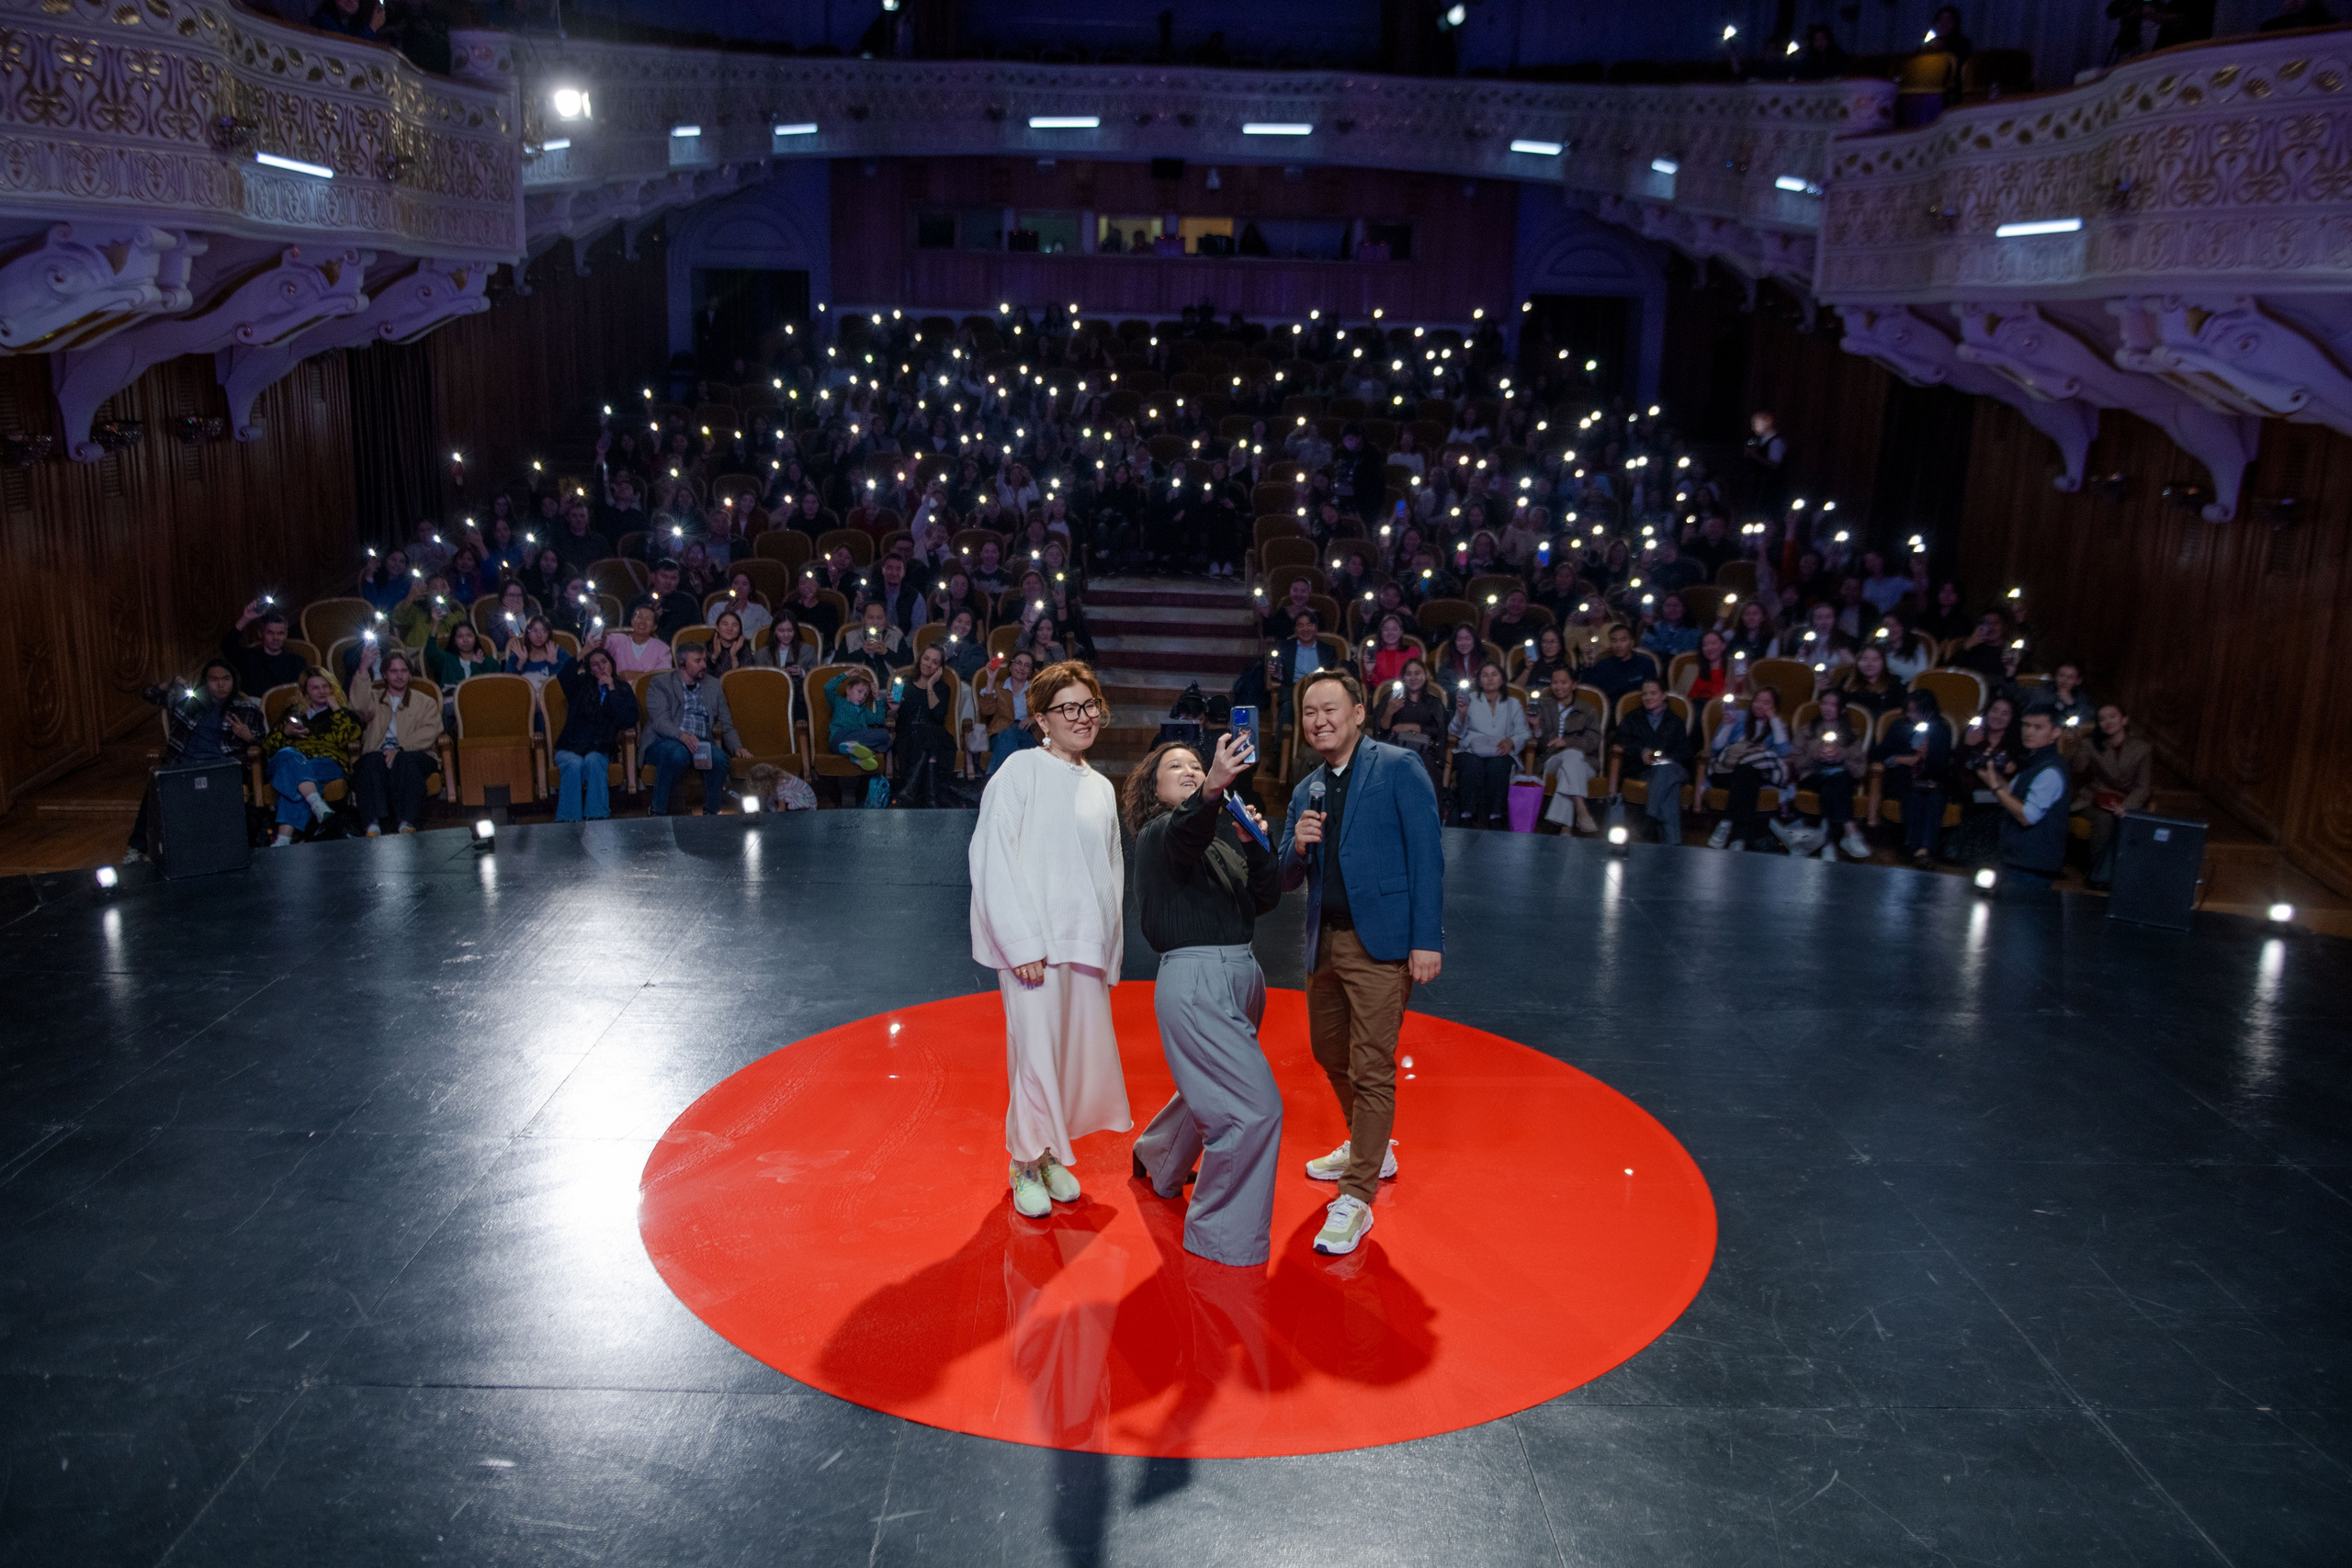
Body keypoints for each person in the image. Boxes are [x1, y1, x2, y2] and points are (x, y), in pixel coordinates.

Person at [1277, 669, 1445, 1258]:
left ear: (1356, 713)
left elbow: (1428, 856)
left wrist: (1428, 939)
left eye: (1330, 709)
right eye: (1309, 713)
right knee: (1329, 1052)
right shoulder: (1307, 791)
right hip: (1325, 942)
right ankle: (1373, 1145)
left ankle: (1357, 1194)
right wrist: (1296, 843)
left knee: (1371, 1067)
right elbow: (1283, 876)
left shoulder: (1399, 768)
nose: (1319, 721)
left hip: (1384, 946)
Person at [967, 660, 1128, 1220]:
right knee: (1034, 1056)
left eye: (1090, 706)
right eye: (1070, 709)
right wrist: (1020, 944)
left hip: (1084, 944)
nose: (1083, 718)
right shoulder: (1019, 771)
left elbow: (1111, 872)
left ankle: (1051, 1153)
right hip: (1032, 949)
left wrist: (1110, 950)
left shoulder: (1103, 787)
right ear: (1041, 719)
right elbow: (991, 858)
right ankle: (1024, 1162)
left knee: (1066, 1058)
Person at [1124, 734, 1284, 1267]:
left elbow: (1263, 899)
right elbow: (1185, 832)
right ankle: (1220, 1237)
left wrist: (1254, 842)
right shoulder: (1158, 834)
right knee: (1251, 1113)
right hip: (1197, 978)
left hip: (1242, 972)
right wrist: (1214, 785)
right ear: (1154, 786)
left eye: (1197, 765)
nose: (1190, 770)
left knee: (1213, 1088)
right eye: (1178, 767)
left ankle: (1159, 1155)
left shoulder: (1219, 838)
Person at [129, 661, 264, 862]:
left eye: (225, 679)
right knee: (155, 790)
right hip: (185, 765)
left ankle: (229, 848)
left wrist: (249, 738)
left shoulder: (246, 709)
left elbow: (264, 745)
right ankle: (137, 849)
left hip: (223, 767)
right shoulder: (187, 701)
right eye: (214, 679)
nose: (220, 685)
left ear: (233, 681)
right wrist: (170, 685)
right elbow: (149, 694)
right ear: (205, 682)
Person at [642, 641, 751, 816]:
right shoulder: (661, 683)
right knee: (677, 753)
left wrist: (737, 747)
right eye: (698, 661)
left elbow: (726, 723)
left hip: (700, 743)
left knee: (719, 758)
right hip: (665, 741)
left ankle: (711, 812)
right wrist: (681, 735)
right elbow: (660, 721)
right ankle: (657, 811)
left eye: (704, 660)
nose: (703, 665)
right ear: (682, 663)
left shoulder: (713, 685)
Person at [347, 645, 443, 837]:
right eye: (394, 671)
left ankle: (407, 822)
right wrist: (363, 669)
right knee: (371, 762)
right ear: (385, 674)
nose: (399, 676)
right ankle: (373, 824)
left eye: (404, 671)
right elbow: (358, 709)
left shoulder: (425, 701)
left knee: (405, 760)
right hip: (379, 752)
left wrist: (400, 748)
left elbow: (431, 731)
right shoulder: (374, 698)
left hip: (417, 753)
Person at [1977, 702, 2072, 891]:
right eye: (2026, 725)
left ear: (2055, 732)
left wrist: (1996, 788)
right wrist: (1992, 776)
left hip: (2032, 866)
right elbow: (2013, 796)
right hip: (2018, 861)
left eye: (2038, 727)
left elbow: (2028, 816)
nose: (2029, 732)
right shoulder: (2036, 761)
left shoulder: (2050, 770)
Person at [1770, 687, 1871, 860]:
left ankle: (1828, 844)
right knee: (1836, 778)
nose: (1827, 708)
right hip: (1812, 777)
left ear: (1842, 709)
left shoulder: (1851, 736)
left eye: (1833, 704)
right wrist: (1814, 756)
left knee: (1833, 783)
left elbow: (1860, 770)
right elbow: (1796, 764)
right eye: (1824, 703)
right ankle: (1850, 831)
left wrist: (1841, 755)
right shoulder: (1807, 731)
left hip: (1839, 780)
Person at [264, 671, 360, 846]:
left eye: (326, 686)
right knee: (288, 754)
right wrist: (286, 733)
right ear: (306, 691)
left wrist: (337, 710)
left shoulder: (343, 714)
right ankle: (316, 803)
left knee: (295, 781)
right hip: (293, 760)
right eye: (316, 687)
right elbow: (268, 747)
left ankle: (283, 840)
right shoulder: (293, 714)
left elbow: (347, 738)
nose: (322, 691)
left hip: (326, 762)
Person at [551, 645, 639, 822]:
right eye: (595, 665)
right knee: (574, 763)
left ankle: (597, 817)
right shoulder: (581, 685)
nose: (601, 667)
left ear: (612, 663)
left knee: (593, 760)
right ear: (590, 669)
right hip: (570, 746)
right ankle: (568, 820)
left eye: (604, 662)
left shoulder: (622, 689)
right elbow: (564, 676)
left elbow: (627, 720)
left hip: (600, 747)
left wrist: (612, 690)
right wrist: (582, 653)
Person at [2071, 701, 2151, 889]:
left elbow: (2143, 786)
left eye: (2112, 716)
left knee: (2132, 820)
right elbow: (2078, 768)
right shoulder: (2090, 744)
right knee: (2105, 820)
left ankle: (2128, 877)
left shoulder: (2142, 748)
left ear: (2124, 720)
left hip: (2127, 799)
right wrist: (2076, 744)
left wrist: (2127, 806)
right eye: (2102, 719)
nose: (2107, 721)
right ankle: (2098, 875)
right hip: (2095, 799)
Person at [1874, 689, 1954, 870]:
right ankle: (1913, 848)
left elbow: (1943, 767)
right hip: (1905, 782)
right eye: (1909, 711)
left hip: (1933, 782)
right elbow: (1878, 753)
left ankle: (1923, 851)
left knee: (1934, 799)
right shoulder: (1898, 726)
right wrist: (1901, 759)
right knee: (1914, 797)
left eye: (1916, 711)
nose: (1911, 715)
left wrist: (1927, 757)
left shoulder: (1941, 730)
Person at [1704, 688, 1792, 851]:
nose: (1760, 705)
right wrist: (1728, 726)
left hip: (1752, 776)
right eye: (1757, 700)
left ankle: (1727, 825)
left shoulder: (1777, 726)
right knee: (1746, 777)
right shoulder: (1739, 717)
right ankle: (1737, 837)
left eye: (1766, 703)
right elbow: (1716, 748)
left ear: (1774, 707)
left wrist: (1773, 719)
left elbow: (1784, 752)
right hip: (1725, 772)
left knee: (1747, 773)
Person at [1448, 660, 1527, 829]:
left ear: (1502, 679)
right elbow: (1455, 731)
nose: (1490, 679)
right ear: (1479, 680)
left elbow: (1524, 732)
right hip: (1471, 748)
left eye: (1494, 675)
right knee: (1472, 765)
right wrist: (1461, 714)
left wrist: (1511, 741)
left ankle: (1495, 815)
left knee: (1498, 766)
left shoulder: (1513, 703)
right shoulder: (1470, 700)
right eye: (1485, 675)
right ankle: (1466, 814)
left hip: (1500, 748)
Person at [1616, 677, 1692, 845]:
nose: (1648, 698)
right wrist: (1642, 751)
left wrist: (1665, 757)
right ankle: (1673, 844)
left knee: (1665, 769)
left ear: (1663, 695)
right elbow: (1621, 740)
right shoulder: (1633, 718)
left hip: (1674, 769)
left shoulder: (1675, 721)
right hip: (1645, 770)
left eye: (1653, 693)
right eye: (1644, 694)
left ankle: (1649, 817)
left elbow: (1685, 752)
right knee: (1670, 789)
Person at [1532, 667, 1602, 833]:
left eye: (1564, 682)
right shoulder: (1544, 706)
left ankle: (1566, 828)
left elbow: (1593, 741)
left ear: (1574, 685)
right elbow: (1541, 746)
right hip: (1551, 760)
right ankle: (1581, 809)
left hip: (1585, 763)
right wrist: (1536, 728)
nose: (1558, 687)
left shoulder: (1587, 710)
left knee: (1569, 765)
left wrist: (1567, 742)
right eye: (1555, 682)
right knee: (1571, 756)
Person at [894, 642, 960, 807]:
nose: (928, 664)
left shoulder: (943, 688)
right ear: (920, 659)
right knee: (929, 752)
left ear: (939, 668)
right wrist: (893, 710)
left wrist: (930, 685)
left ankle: (910, 789)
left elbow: (938, 716)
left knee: (928, 734)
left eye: (934, 662)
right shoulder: (904, 683)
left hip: (936, 736)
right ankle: (932, 801)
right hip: (908, 737)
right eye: (926, 659)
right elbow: (892, 718)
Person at [824, 667, 896, 807]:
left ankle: (856, 754)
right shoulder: (839, 702)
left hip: (858, 739)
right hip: (839, 737)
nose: (862, 696)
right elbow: (828, 687)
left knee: (885, 735)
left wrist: (877, 698)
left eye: (865, 694)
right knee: (845, 740)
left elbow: (879, 719)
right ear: (848, 690)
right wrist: (847, 674)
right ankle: (854, 749)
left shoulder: (864, 711)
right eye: (859, 691)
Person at [221, 602, 308, 696]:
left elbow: (299, 694)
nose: (275, 638)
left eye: (280, 633)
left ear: (286, 635)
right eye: (270, 633)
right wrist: (245, 619)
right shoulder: (249, 657)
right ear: (260, 634)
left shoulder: (296, 662)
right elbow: (227, 646)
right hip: (253, 707)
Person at [978, 649, 1038, 773]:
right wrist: (990, 680)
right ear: (1010, 667)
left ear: (1030, 672)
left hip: (1028, 734)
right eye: (1018, 663)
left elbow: (1050, 712)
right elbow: (986, 711)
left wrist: (1033, 719)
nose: (1022, 668)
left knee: (1015, 738)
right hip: (1000, 734)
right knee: (1010, 734)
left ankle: (992, 781)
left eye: (1027, 666)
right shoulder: (998, 687)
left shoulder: (1037, 691)